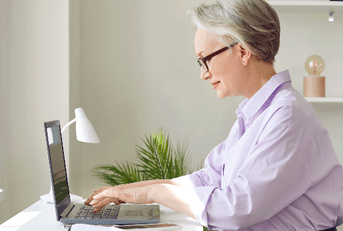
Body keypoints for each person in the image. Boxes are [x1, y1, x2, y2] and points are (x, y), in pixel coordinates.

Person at [85, 0, 343, 230]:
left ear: (242, 51)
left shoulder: (287, 116)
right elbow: (209, 177)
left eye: (205, 58)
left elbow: (236, 208)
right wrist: (128, 192)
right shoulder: (257, 113)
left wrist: (152, 193)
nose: (204, 73)